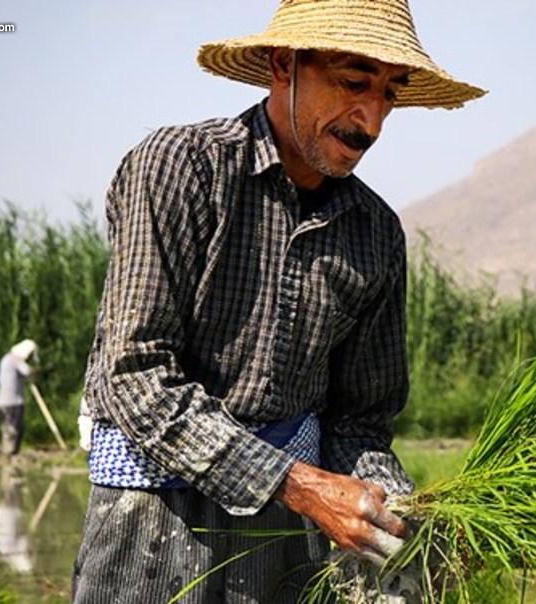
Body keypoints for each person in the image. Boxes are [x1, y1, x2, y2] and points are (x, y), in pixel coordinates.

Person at [71, 1, 483, 602]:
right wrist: (304, 486)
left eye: (390, 95)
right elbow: (135, 376)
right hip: (150, 531)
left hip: (287, 551)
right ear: (284, 64)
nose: (370, 122)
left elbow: (359, 423)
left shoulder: (375, 234)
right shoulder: (182, 170)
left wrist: (402, 517)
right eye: (353, 83)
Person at [0, 339, 36, 456]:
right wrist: (34, 372)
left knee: (7, 427)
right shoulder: (15, 360)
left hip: (3, 401)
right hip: (13, 401)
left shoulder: (6, 359)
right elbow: (28, 371)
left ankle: (8, 451)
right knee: (14, 428)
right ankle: (11, 453)